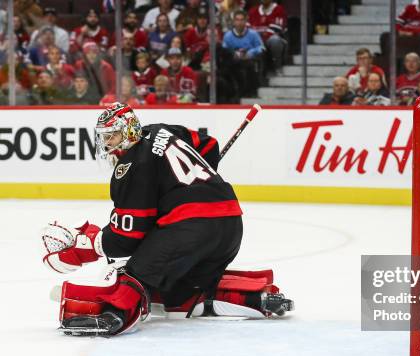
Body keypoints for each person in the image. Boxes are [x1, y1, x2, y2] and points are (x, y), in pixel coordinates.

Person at [42, 103, 293, 336]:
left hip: (190, 229)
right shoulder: (162, 130)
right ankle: (255, 298)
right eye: (104, 136)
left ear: (128, 131)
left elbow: (126, 239)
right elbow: (209, 145)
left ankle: (115, 315)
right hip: (230, 225)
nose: (107, 142)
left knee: (137, 274)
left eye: (112, 135)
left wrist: (88, 247)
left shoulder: (131, 166)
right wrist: (195, 179)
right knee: (180, 293)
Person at [248, 0, 288, 74]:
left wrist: (260, 32)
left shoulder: (279, 9)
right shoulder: (253, 11)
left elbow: (278, 29)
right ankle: (253, 72)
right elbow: (248, 28)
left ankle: (277, 66)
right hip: (256, 40)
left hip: (271, 40)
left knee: (275, 40)